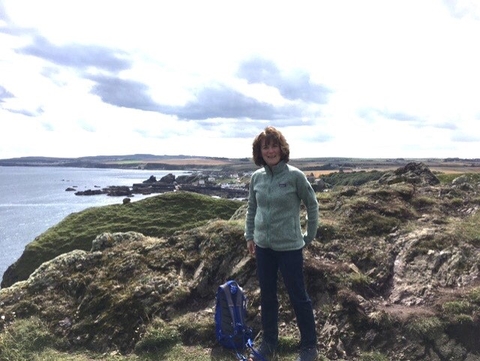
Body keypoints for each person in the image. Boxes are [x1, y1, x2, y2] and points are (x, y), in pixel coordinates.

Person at [245, 126, 319, 361]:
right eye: (265, 147)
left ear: (282, 148)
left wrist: (309, 235)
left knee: (298, 295)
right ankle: (269, 342)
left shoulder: (295, 176)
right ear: (260, 151)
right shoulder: (256, 178)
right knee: (267, 296)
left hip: (289, 248)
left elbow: (312, 204)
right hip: (263, 247)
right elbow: (251, 208)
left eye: (273, 145)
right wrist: (249, 235)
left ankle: (309, 346)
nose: (270, 150)